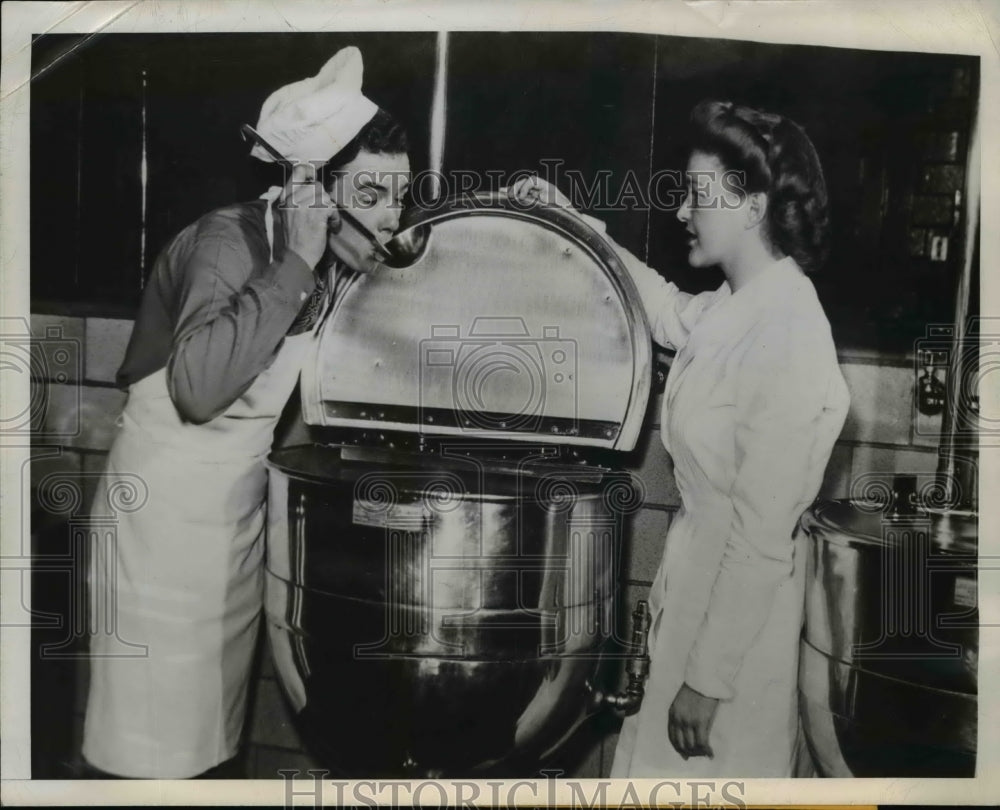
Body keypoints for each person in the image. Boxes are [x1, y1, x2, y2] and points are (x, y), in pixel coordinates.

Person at [82, 46, 411, 779]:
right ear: (313, 194)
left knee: (209, 748)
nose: (393, 214)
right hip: (161, 528)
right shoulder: (228, 245)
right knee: (147, 755)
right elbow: (196, 390)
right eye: (376, 192)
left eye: (402, 192)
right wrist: (295, 263)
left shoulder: (327, 272)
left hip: (230, 523)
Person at [517, 99, 849, 776]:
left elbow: (760, 540)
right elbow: (665, 308)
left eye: (697, 194)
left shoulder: (791, 331)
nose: (681, 211)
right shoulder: (741, 306)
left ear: (752, 205)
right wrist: (572, 225)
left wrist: (708, 681)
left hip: (734, 643)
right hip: (695, 600)